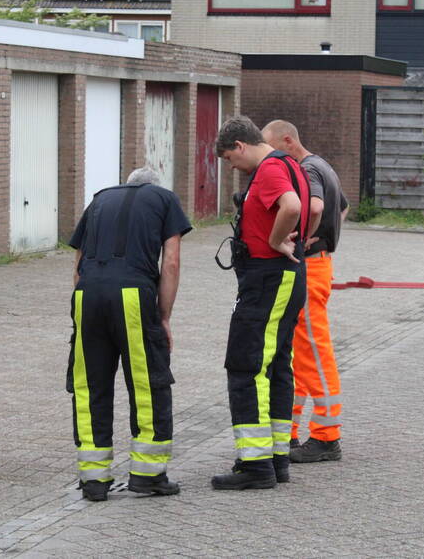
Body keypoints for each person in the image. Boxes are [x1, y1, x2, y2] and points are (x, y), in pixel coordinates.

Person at [67, 166, 192, 502]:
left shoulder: (98, 200)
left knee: (89, 385)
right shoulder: (164, 199)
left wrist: (84, 308)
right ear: (153, 188)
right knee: (147, 383)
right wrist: (163, 316)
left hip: (87, 296)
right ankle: (148, 475)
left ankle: (93, 480)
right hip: (133, 296)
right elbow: (171, 263)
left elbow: (78, 262)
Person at [211, 116, 310, 490]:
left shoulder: (269, 170)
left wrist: (273, 241)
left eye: (229, 160)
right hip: (282, 277)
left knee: (246, 365)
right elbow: (308, 210)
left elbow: (292, 208)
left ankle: (254, 464)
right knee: (276, 364)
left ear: (240, 146)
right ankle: (276, 457)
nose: (233, 168)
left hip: (267, 277)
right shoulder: (289, 165)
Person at [262, 120, 348, 463]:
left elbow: (315, 207)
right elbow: (341, 206)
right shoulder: (323, 165)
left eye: (274, 149)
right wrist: (326, 234)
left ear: (287, 140)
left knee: (313, 350)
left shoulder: (307, 169)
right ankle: (290, 430)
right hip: (318, 265)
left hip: (310, 266)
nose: (271, 159)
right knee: (297, 353)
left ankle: (327, 437)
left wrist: (302, 235)